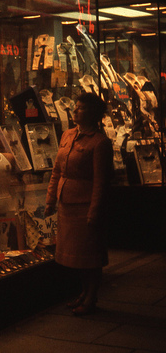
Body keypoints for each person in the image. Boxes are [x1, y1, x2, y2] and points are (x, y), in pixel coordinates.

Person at [44, 92, 113, 316]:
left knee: (89, 256)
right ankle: (83, 292)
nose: (75, 111)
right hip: (67, 205)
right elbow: (56, 171)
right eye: (75, 106)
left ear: (93, 113)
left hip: (85, 206)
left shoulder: (99, 142)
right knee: (76, 257)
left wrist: (94, 211)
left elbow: (101, 182)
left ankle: (91, 296)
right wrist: (50, 200)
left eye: (81, 108)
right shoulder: (67, 135)